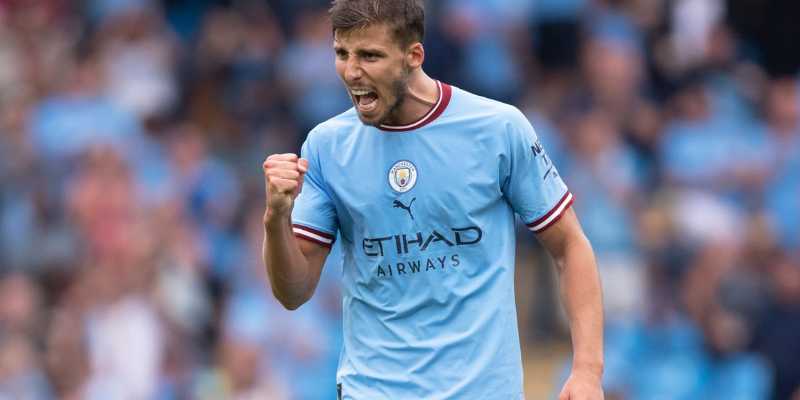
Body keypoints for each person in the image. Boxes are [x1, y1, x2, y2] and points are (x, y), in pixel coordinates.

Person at [261, 1, 604, 398]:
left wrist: (587, 370)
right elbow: (293, 292)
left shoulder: (497, 129)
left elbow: (570, 247)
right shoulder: (326, 147)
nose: (352, 71)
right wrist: (276, 218)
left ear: (414, 55)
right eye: (342, 54)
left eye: (370, 55)